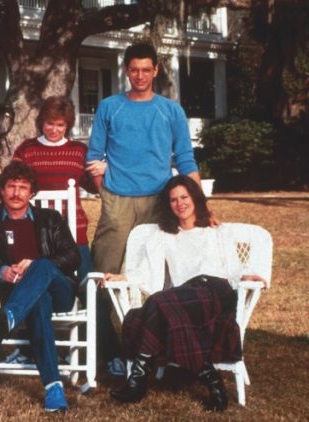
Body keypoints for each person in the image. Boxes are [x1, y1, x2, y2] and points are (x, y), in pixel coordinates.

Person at [84, 42, 202, 374]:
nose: (140, 75)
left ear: (156, 71)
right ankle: (108, 352)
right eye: (133, 69)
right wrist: (106, 193)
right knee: (102, 273)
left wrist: (200, 205)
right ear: (126, 70)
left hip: (160, 201)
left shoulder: (171, 110)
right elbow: (94, 158)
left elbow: (186, 158)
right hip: (118, 201)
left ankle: (156, 351)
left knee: (158, 277)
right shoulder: (110, 107)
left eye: (145, 70)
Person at [102, 175, 267, 412]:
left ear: (195, 198)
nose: (180, 203)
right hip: (182, 298)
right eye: (173, 200)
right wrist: (123, 277)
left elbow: (234, 268)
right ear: (167, 205)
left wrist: (249, 276)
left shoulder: (216, 231)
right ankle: (212, 381)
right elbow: (149, 272)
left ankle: (138, 378)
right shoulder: (163, 235)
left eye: (184, 197)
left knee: (152, 307)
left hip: (215, 291)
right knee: (162, 305)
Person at [0, 161, 80, 413]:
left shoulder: (50, 218)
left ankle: (10, 315)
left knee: (40, 266)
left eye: (23, 187)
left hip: (60, 290)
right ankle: (53, 387)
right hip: (21, 294)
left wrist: (37, 265)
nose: (16, 192)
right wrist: (2, 272)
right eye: (11, 186)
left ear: (32, 192)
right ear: (2, 190)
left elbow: (74, 257)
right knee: (38, 302)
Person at [0, 96, 97, 281]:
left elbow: (92, 185)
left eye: (60, 125)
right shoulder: (28, 149)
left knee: (87, 281)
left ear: (67, 125)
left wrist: (103, 170)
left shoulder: (78, 151)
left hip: (73, 225)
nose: (54, 129)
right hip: (36, 228)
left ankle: (89, 306)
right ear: (41, 122)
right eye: (49, 123)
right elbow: (11, 177)